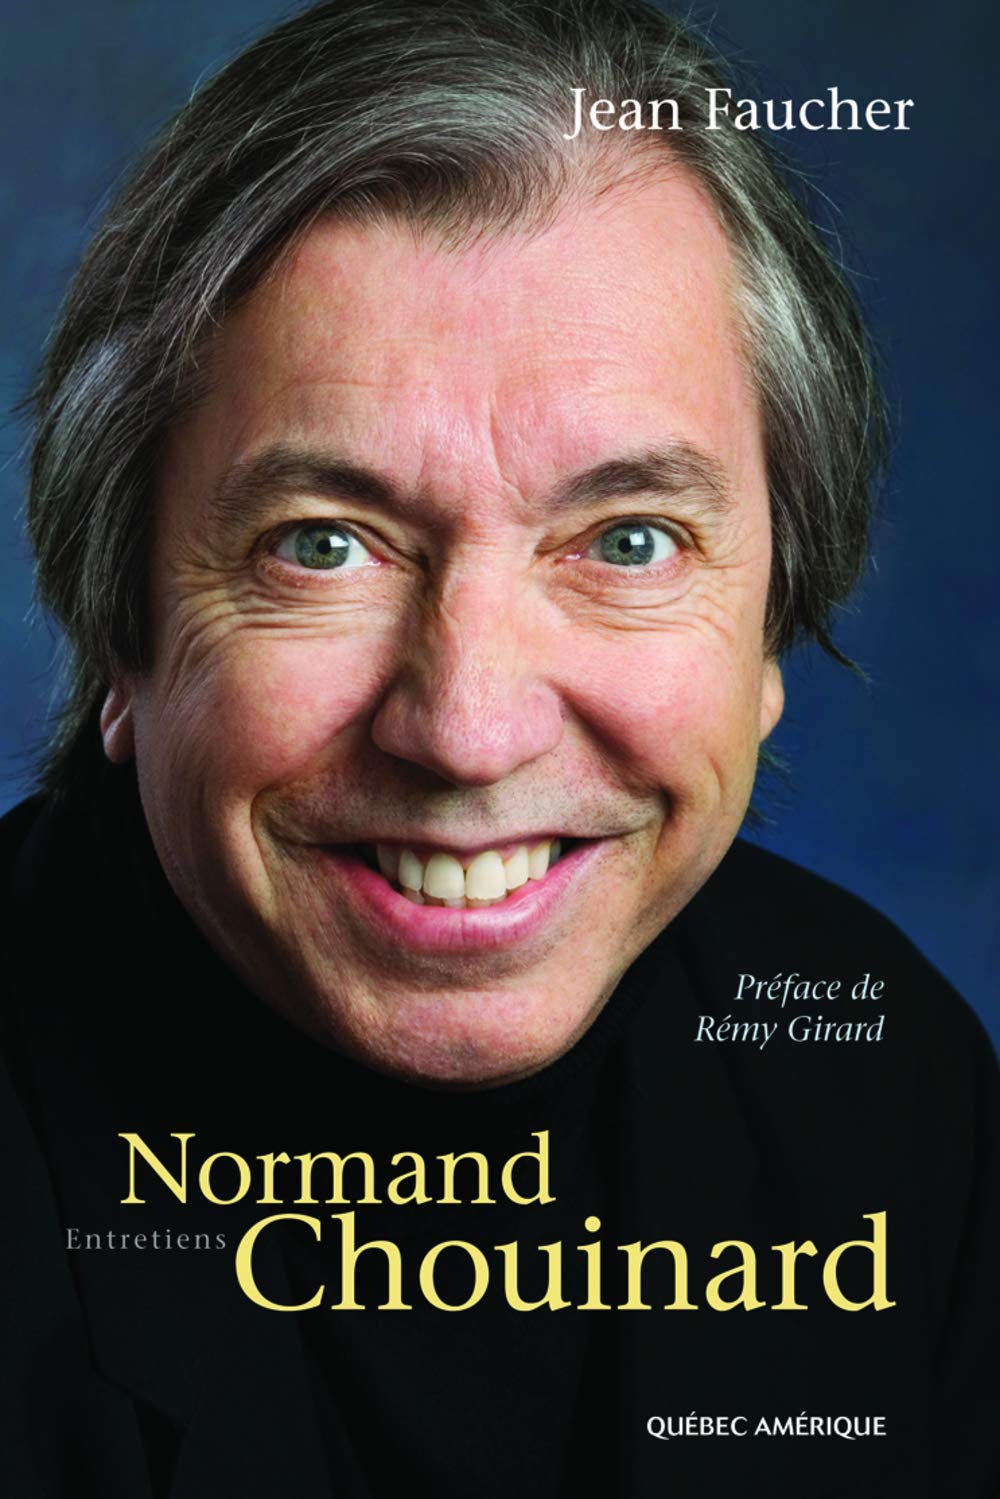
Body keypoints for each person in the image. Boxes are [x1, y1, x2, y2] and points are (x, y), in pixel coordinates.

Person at [2, 2, 997, 1495]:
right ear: (120, 633)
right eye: (322, 545)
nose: (468, 732)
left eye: (630, 540)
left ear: (769, 635)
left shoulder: (888, 1083)